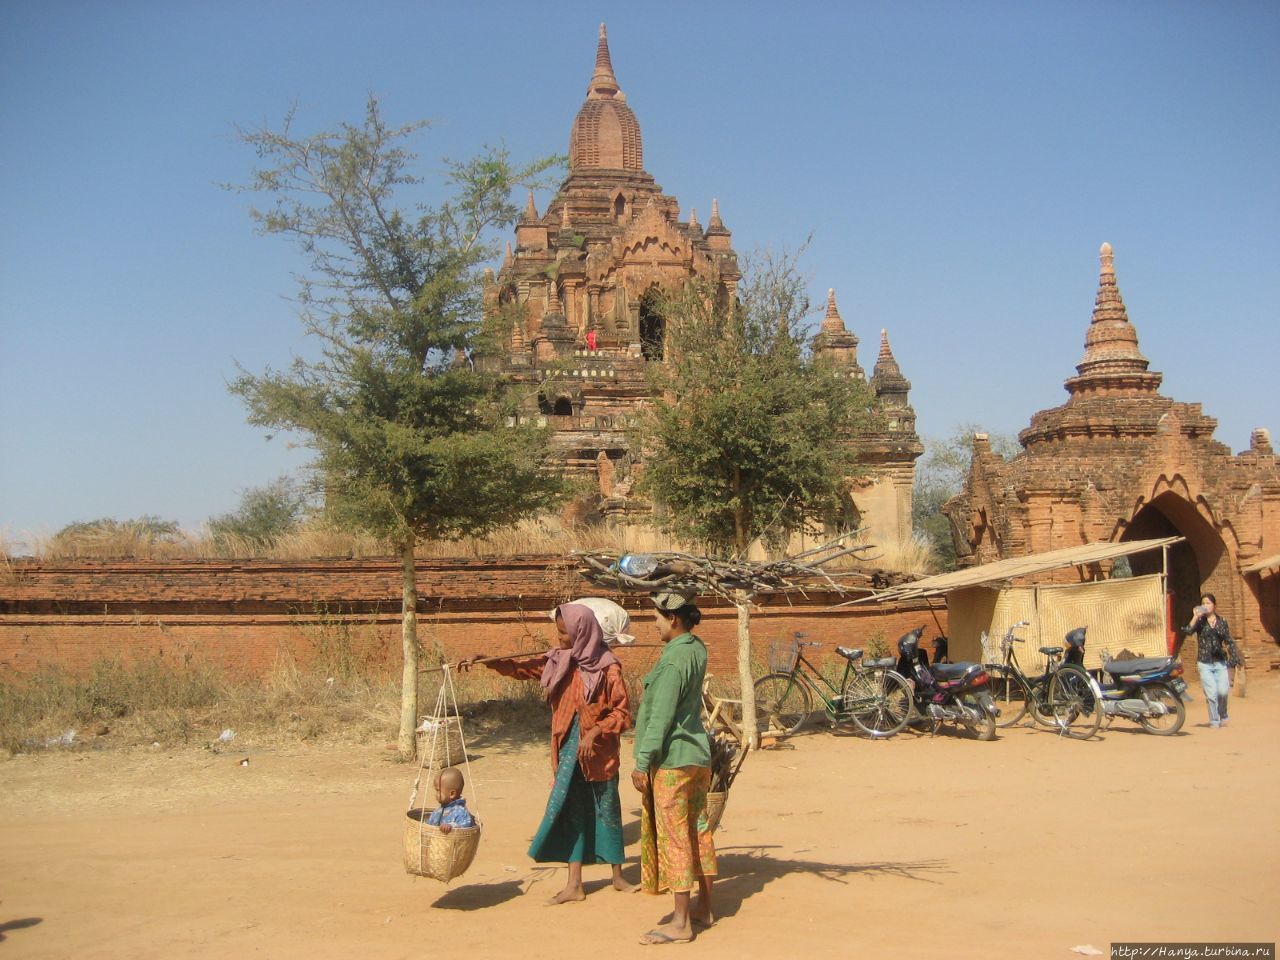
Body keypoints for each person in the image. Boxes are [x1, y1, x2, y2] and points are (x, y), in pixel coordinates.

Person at [461, 603, 634, 903]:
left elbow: (622, 712)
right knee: (571, 810)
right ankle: (574, 884)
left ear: (582, 633)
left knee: (607, 809)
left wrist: (595, 732)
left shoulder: (609, 668)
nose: (560, 639)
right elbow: (521, 668)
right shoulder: (558, 660)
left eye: (564, 633)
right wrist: (487, 661)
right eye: (559, 632)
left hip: (600, 753)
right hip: (567, 749)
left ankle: (618, 876)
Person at [631, 587, 716, 946]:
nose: (653, 625)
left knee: (675, 838)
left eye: (656, 618)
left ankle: (681, 922)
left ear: (673, 619)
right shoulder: (697, 649)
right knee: (698, 830)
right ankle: (704, 907)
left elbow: (660, 717)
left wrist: (641, 761)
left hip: (673, 761)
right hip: (698, 757)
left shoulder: (671, 661)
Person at [1183, 593, 1242, 728]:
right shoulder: (1200, 622)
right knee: (1211, 694)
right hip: (1204, 663)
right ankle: (1214, 720)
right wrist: (1195, 616)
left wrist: (1235, 658)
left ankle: (1223, 714)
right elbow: (1188, 631)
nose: (1206, 606)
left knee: (1222, 692)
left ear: (1214, 606)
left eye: (1208, 603)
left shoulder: (1222, 622)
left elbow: (1229, 641)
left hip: (1220, 662)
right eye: (1203, 603)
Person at [552, 596, 636, 646]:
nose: (559, 637)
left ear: (581, 634)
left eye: (563, 632)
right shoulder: (556, 659)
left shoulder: (607, 667)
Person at [426, 766, 477, 834]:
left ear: (452, 794)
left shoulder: (461, 812)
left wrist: (451, 826)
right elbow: (429, 825)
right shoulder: (438, 810)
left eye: (438, 790)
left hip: (451, 843)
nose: (436, 794)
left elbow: (466, 827)